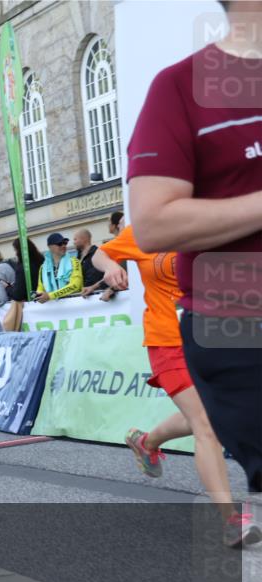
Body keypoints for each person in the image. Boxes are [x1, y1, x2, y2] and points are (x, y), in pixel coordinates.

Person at [128, 1, 262, 498]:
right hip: (226, 328)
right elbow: (149, 226)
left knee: (203, 424)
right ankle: (229, 521)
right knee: (204, 426)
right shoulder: (181, 87)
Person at [93, 226, 260, 548]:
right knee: (206, 424)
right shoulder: (150, 227)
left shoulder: (214, 223)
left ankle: (146, 441)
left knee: (214, 415)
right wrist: (111, 266)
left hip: (213, 336)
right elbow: (101, 254)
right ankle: (231, 520)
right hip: (167, 341)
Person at [35, 233, 82, 303]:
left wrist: (50, 296)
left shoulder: (74, 261)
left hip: (74, 304)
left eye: (65, 243)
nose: (63, 246)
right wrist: (38, 296)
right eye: (59, 244)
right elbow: (40, 288)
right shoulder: (43, 268)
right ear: (50, 247)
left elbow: (75, 285)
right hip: (54, 307)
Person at [75, 229, 115, 302]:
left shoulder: (99, 253)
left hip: (101, 298)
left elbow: (110, 274)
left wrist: (93, 287)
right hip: (83, 299)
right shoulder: (77, 258)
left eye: (75, 239)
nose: (74, 242)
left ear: (84, 239)